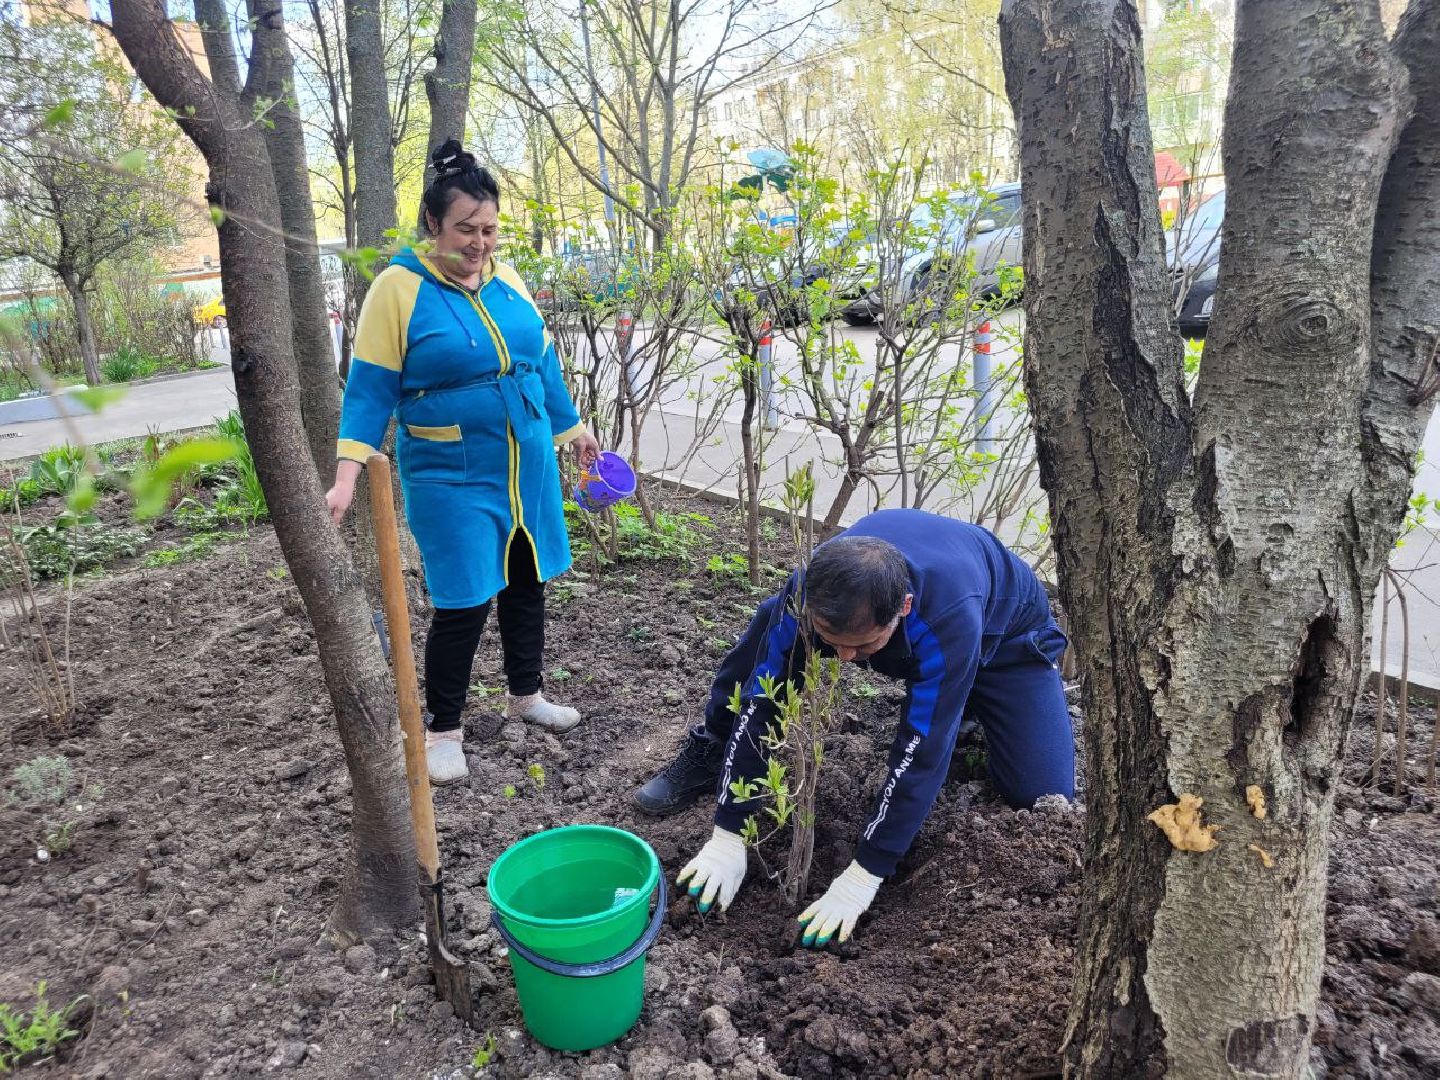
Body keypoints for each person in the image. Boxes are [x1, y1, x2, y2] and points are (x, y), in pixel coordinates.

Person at [634, 509, 1075, 947]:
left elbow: (921, 750)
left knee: (1041, 792)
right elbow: (763, 697)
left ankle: (974, 703)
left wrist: (865, 873)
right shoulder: (809, 589)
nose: (845, 659)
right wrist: (728, 831)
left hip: (1005, 639)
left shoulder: (947, 618)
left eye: (862, 646)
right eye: (832, 642)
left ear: (902, 607)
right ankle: (711, 746)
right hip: (896, 616)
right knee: (766, 636)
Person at [326, 139, 600, 785]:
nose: (480, 244)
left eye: (489, 230)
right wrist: (346, 475)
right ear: (432, 226)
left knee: (526, 580)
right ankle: (442, 730)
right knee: (464, 598)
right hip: (449, 470)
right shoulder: (397, 288)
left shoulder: (506, 279)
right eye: (466, 230)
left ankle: (526, 696)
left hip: (524, 462)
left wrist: (574, 428)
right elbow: (369, 390)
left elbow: (541, 361)